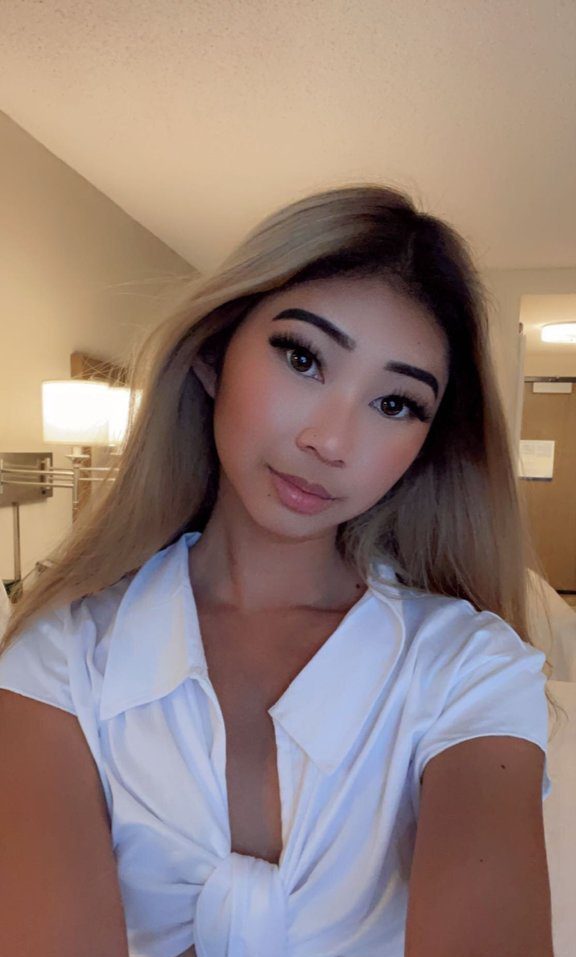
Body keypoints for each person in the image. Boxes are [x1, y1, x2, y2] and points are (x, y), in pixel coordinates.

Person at [0, 184, 560, 957]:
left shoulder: (470, 670)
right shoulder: (61, 658)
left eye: (395, 404)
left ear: (425, 445)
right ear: (213, 354)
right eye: (303, 358)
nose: (331, 441)